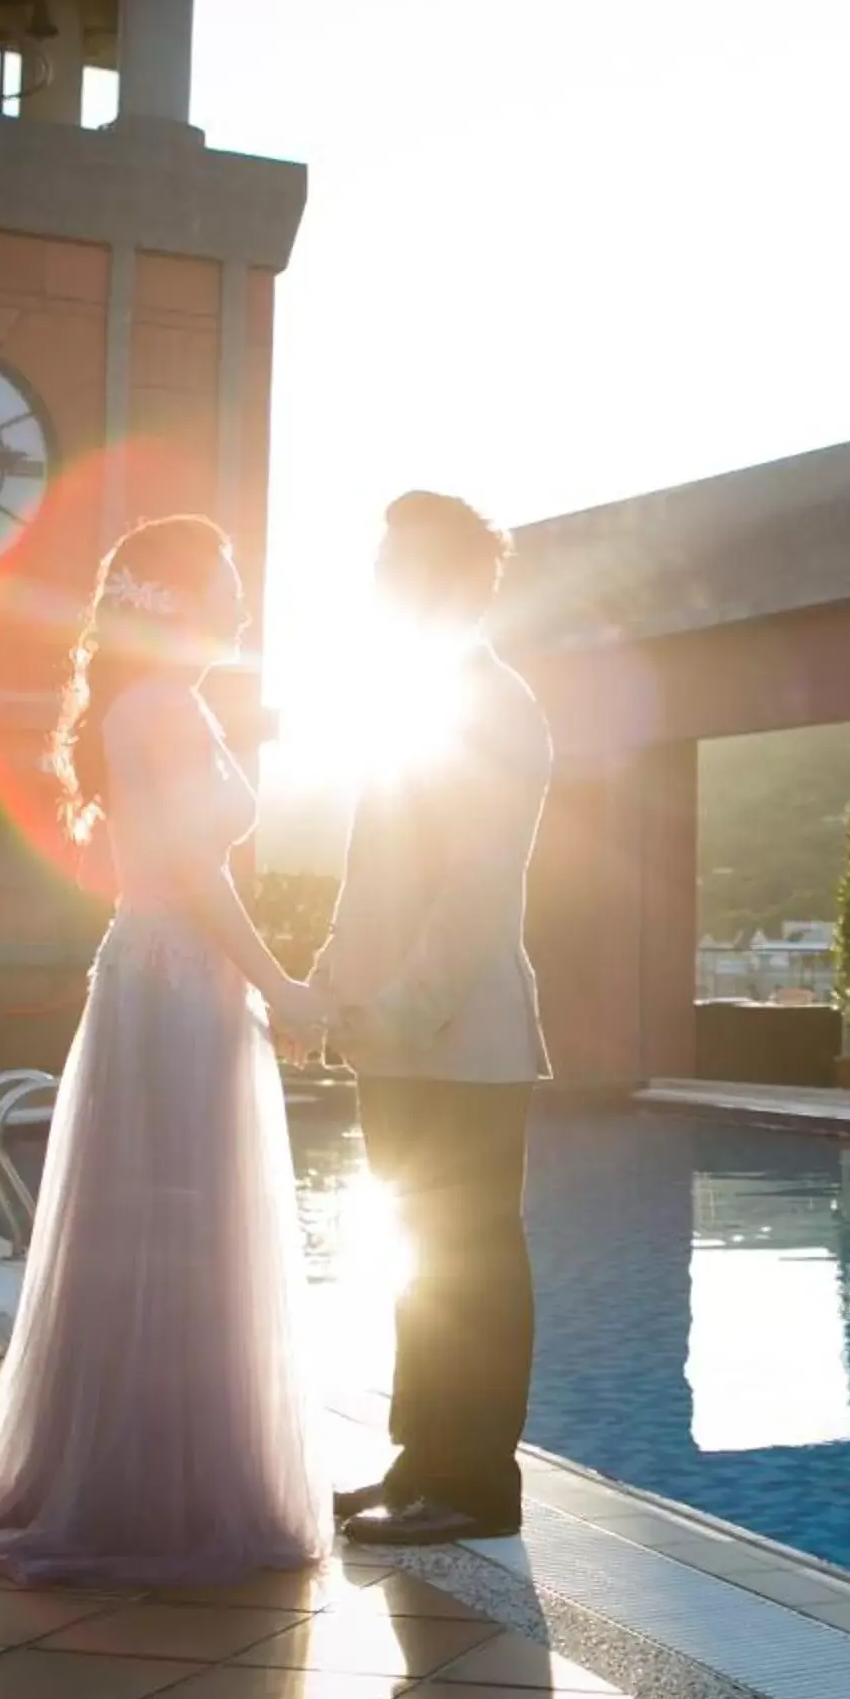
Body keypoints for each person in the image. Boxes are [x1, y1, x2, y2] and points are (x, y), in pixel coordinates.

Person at [0, 515, 335, 1586]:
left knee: (167, 1223)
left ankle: (158, 1466)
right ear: (180, 597)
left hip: (163, 971)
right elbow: (192, 868)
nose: (242, 595)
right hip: (179, 977)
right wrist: (282, 981)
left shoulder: (164, 705)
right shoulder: (164, 709)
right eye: (229, 576)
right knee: (177, 1222)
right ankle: (155, 1485)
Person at [311, 490, 554, 1546]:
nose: (377, 582)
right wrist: (326, 989)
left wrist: (396, 1010)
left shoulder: (497, 706)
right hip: (398, 1038)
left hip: (462, 1041)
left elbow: (474, 889)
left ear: (452, 579)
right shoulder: (411, 698)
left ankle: (475, 1484)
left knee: (471, 1262)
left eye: (395, 564)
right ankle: (421, 1460)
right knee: (419, 1252)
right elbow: (373, 882)